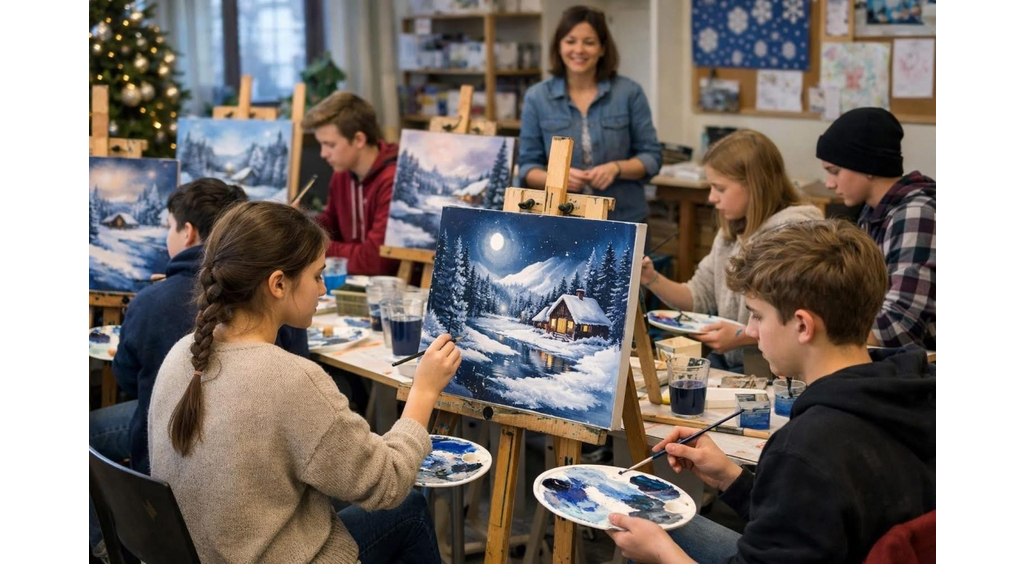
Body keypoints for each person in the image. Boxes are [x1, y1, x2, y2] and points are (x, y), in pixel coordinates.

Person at [148, 201, 462, 563]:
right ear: (278, 284)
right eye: (317, 276)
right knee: (407, 505)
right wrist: (424, 391)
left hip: (214, 551)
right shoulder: (291, 381)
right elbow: (387, 482)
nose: (324, 289)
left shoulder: (181, 355)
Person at [607, 220, 936, 563]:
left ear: (803, 325)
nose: (749, 330)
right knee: (668, 529)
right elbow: (811, 523)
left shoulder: (807, 447)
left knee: (650, 534)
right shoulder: (916, 393)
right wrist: (733, 479)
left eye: (757, 316)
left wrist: (661, 555)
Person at [88, 179, 308, 561]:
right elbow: (303, 383)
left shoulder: (150, 301)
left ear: (187, 231)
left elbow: (125, 378)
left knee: (90, 432)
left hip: (155, 480)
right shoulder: (274, 304)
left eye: (169, 226)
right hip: (243, 485)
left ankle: (103, 538)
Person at [639, 130, 822, 372]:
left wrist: (742, 336)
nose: (712, 198)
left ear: (755, 186)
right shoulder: (731, 232)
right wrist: (651, 278)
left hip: (773, 370)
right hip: (731, 362)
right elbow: (698, 297)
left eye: (720, 188)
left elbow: (799, 322)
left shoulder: (795, 235)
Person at [517, 4, 662, 224]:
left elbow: (652, 157)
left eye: (589, 42)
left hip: (623, 219)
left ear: (603, 48)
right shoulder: (537, 97)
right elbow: (527, 167)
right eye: (570, 41)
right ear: (558, 46)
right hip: (559, 220)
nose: (579, 50)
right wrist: (557, 179)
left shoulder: (629, 93)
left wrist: (617, 168)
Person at [816, 107, 936, 350]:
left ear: (867, 165)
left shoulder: (915, 214)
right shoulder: (871, 213)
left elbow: (898, 327)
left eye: (835, 171)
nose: (829, 183)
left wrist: (822, 338)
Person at [301, 90, 400, 276]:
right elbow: (331, 225)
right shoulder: (342, 174)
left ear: (359, 139)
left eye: (330, 145)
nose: (323, 154)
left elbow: (374, 261)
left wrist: (312, 244)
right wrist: (301, 225)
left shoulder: (394, 180)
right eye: (321, 144)